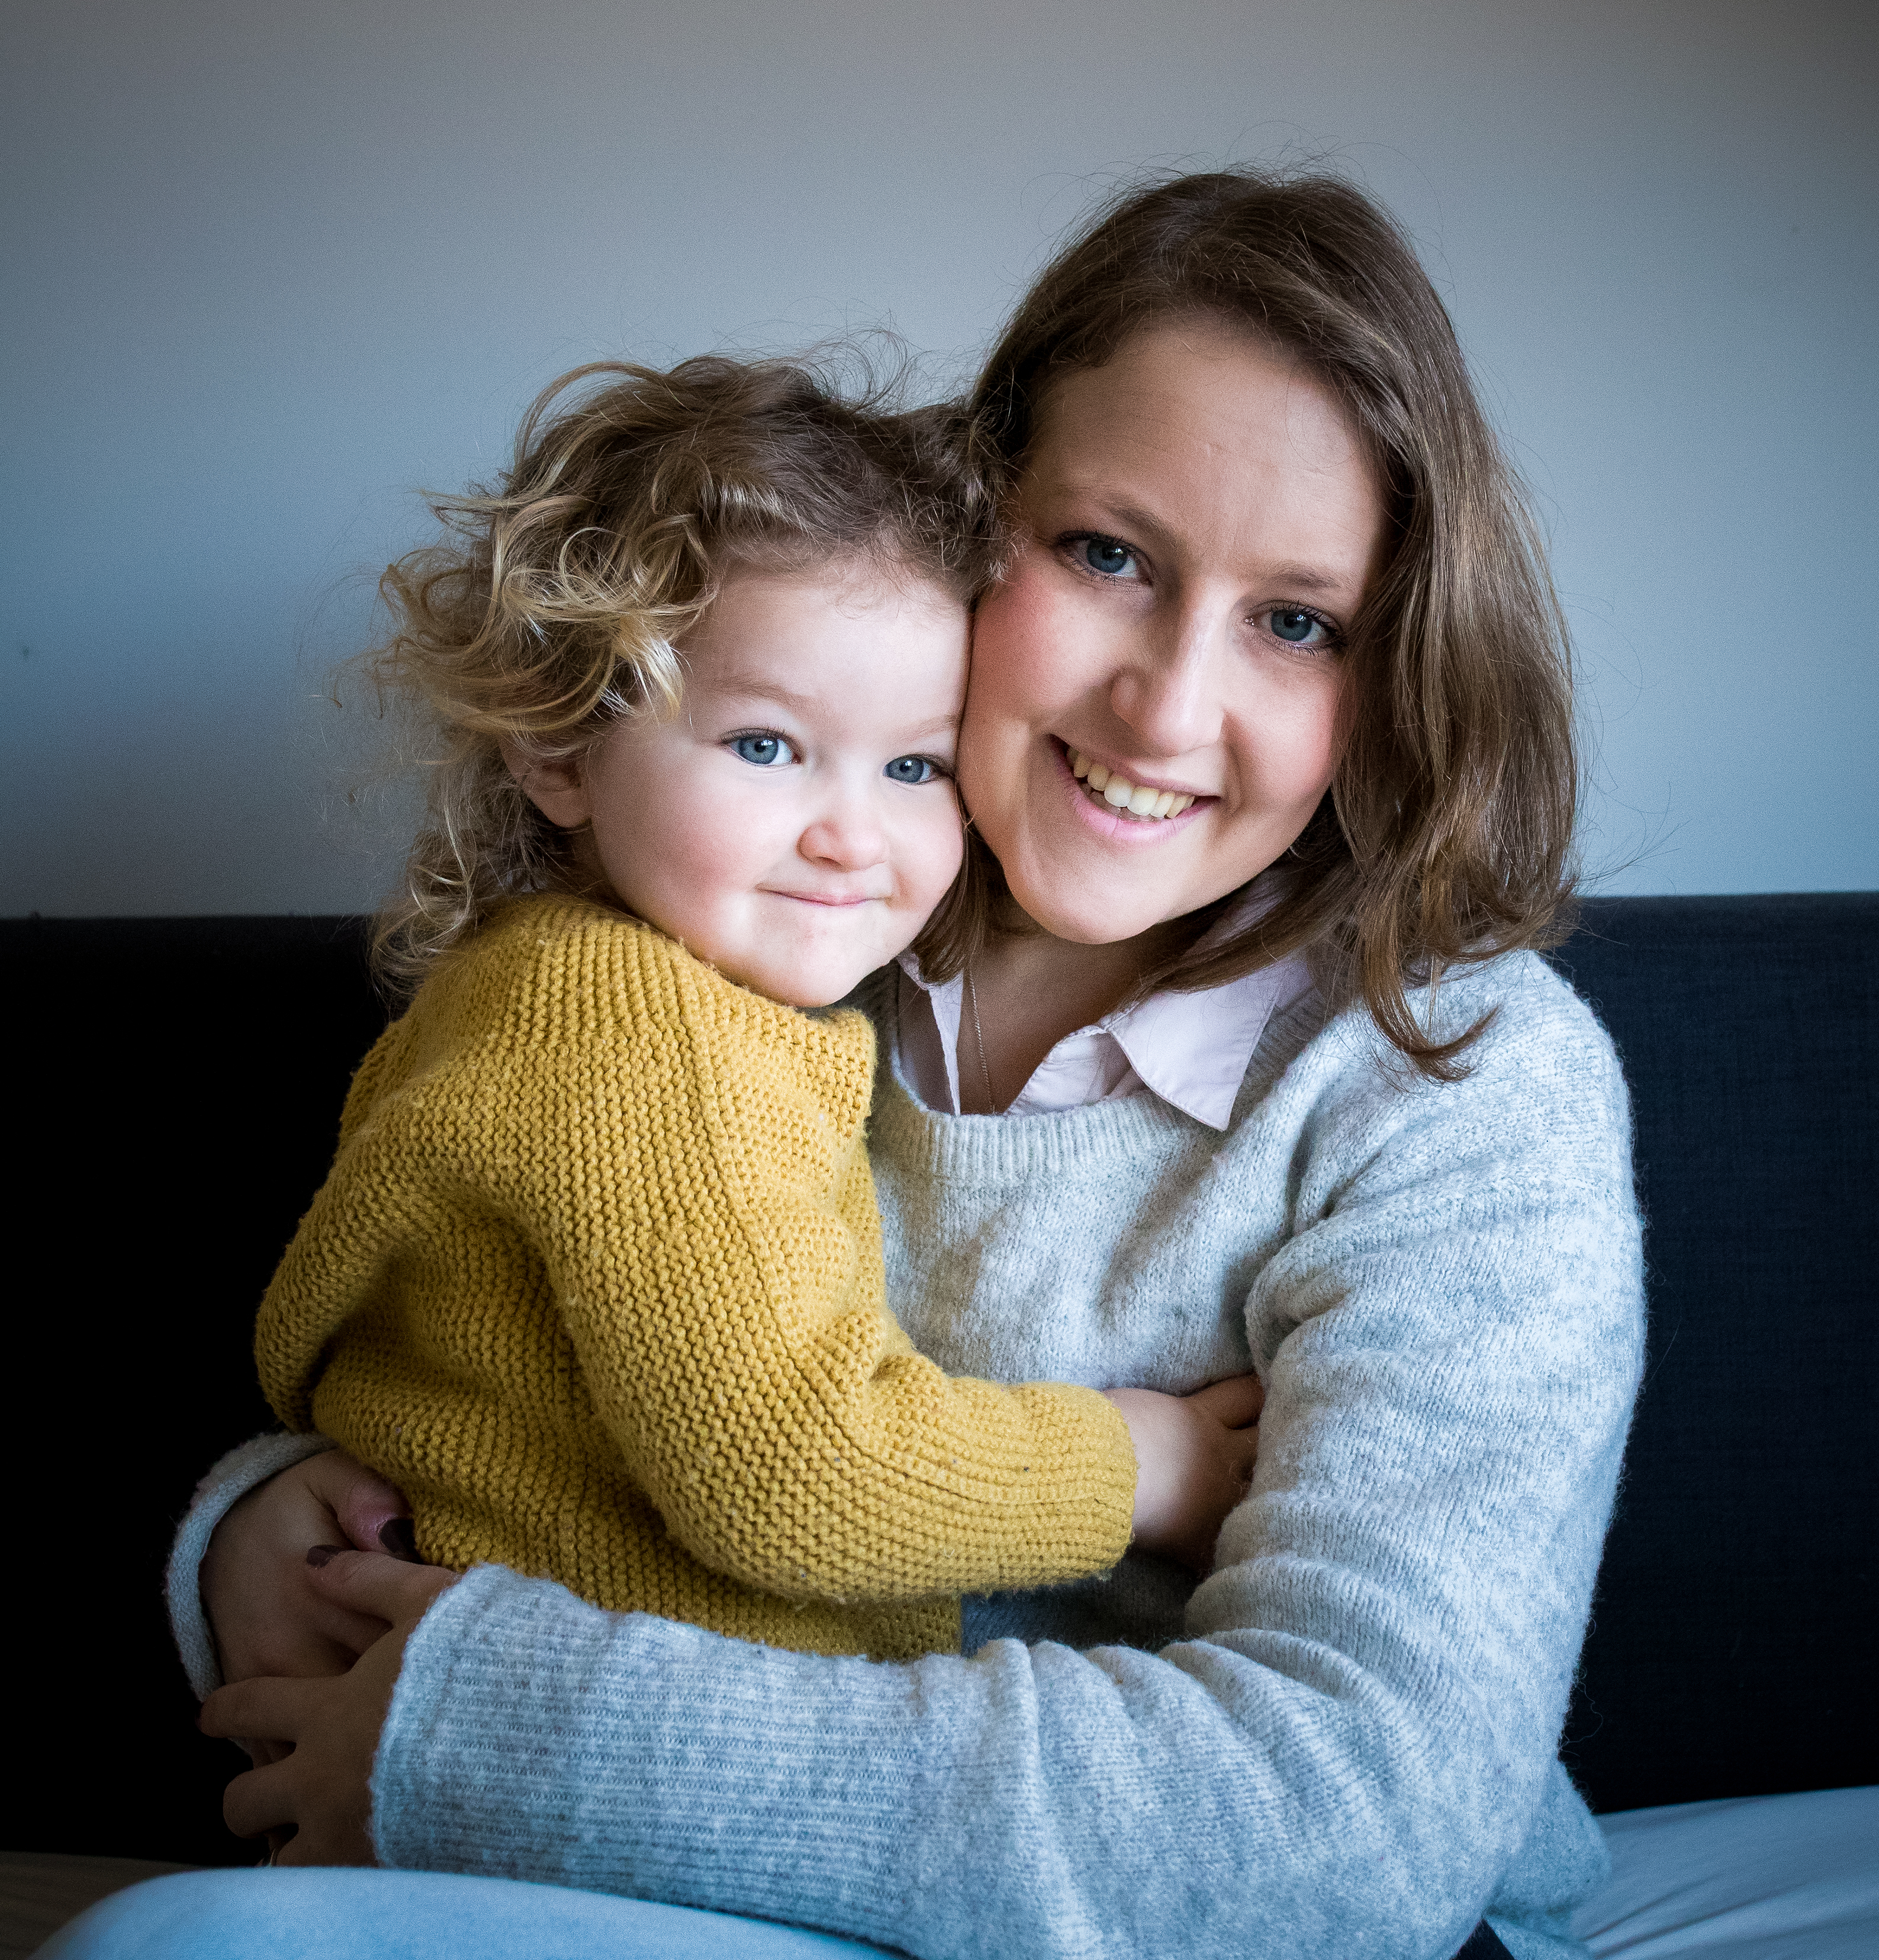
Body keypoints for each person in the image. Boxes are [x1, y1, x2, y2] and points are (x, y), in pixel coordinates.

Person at [69, 170, 1643, 1960]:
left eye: (1299, 622)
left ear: (1402, 668)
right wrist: (268, 1532)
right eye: (1110, 555)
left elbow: (1351, 1824)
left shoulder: (1460, 1086)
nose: (1164, 709)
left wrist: (495, 1736)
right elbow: (492, 1355)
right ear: (971, 537)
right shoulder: (766, 931)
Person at [248, 355, 1255, 1667]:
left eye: (913, 765)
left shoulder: (574, 984)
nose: (851, 835)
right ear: (558, 745)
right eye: (766, 745)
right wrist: (1145, 1461)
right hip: (588, 1760)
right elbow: (802, 1475)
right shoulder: (638, 1031)